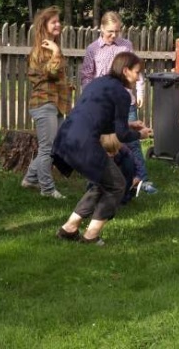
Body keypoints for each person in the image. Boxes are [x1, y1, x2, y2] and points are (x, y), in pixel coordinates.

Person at [53, 52, 153, 245]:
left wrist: (129, 125)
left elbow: (99, 120)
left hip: (66, 137)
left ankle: (69, 228)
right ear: (126, 71)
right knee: (117, 184)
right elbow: (122, 136)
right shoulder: (122, 94)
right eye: (137, 72)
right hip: (84, 143)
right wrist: (140, 135)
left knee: (104, 182)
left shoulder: (99, 83)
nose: (139, 77)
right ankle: (91, 235)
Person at [80, 11, 157, 195]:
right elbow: (86, 76)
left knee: (132, 140)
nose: (114, 35)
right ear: (101, 28)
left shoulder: (126, 45)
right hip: (103, 104)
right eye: (110, 31)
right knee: (103, 142)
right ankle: (99, 180)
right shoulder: (93, 49)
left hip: (125, 100)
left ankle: (142, 179)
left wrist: (140, 91)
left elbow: (136, 69)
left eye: (117, 31)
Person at [21, 6, 73, 199]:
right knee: (48, 149)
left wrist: (66, 85)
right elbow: (50, 73)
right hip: (43, 104)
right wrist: (57, 52)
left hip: (54, 103)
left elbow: (52, 77)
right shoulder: (41, 50)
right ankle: (47, 189)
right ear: (44, 25)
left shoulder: (51, 47)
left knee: (53, 146)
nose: (58, 24)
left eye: (59, 21)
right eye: (54, 22)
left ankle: (30, 179)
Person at [99, 133, 142, 205]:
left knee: (128, 166)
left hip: (122, 164)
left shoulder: (123, 149)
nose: (111, 154)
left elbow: (136, 162)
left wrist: (138, 176)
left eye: (114, 151)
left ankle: (124, 197)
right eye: (109, 152)